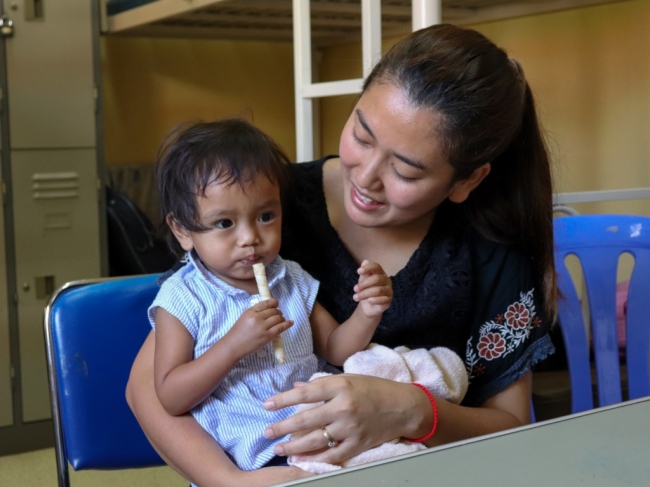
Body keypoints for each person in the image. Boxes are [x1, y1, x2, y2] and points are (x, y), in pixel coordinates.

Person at [126, 23, 557, 487]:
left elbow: (512, 426)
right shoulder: (264, 202)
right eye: (362, 135)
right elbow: (147, 387)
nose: (366, 178)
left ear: (466, 181)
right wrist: (230, 482)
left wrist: (415, 412)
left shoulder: (490, 254)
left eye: (405, 171)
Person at [148, 118, 393, 482]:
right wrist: (233, 345)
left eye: (265, 216)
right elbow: (170, 395)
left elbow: (336, 350)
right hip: (250, 448)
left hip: (313, 428)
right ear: (183, 231)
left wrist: (368, 313)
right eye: (224, 224)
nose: (250, 237)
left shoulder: (290, 277)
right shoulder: (183, 298)